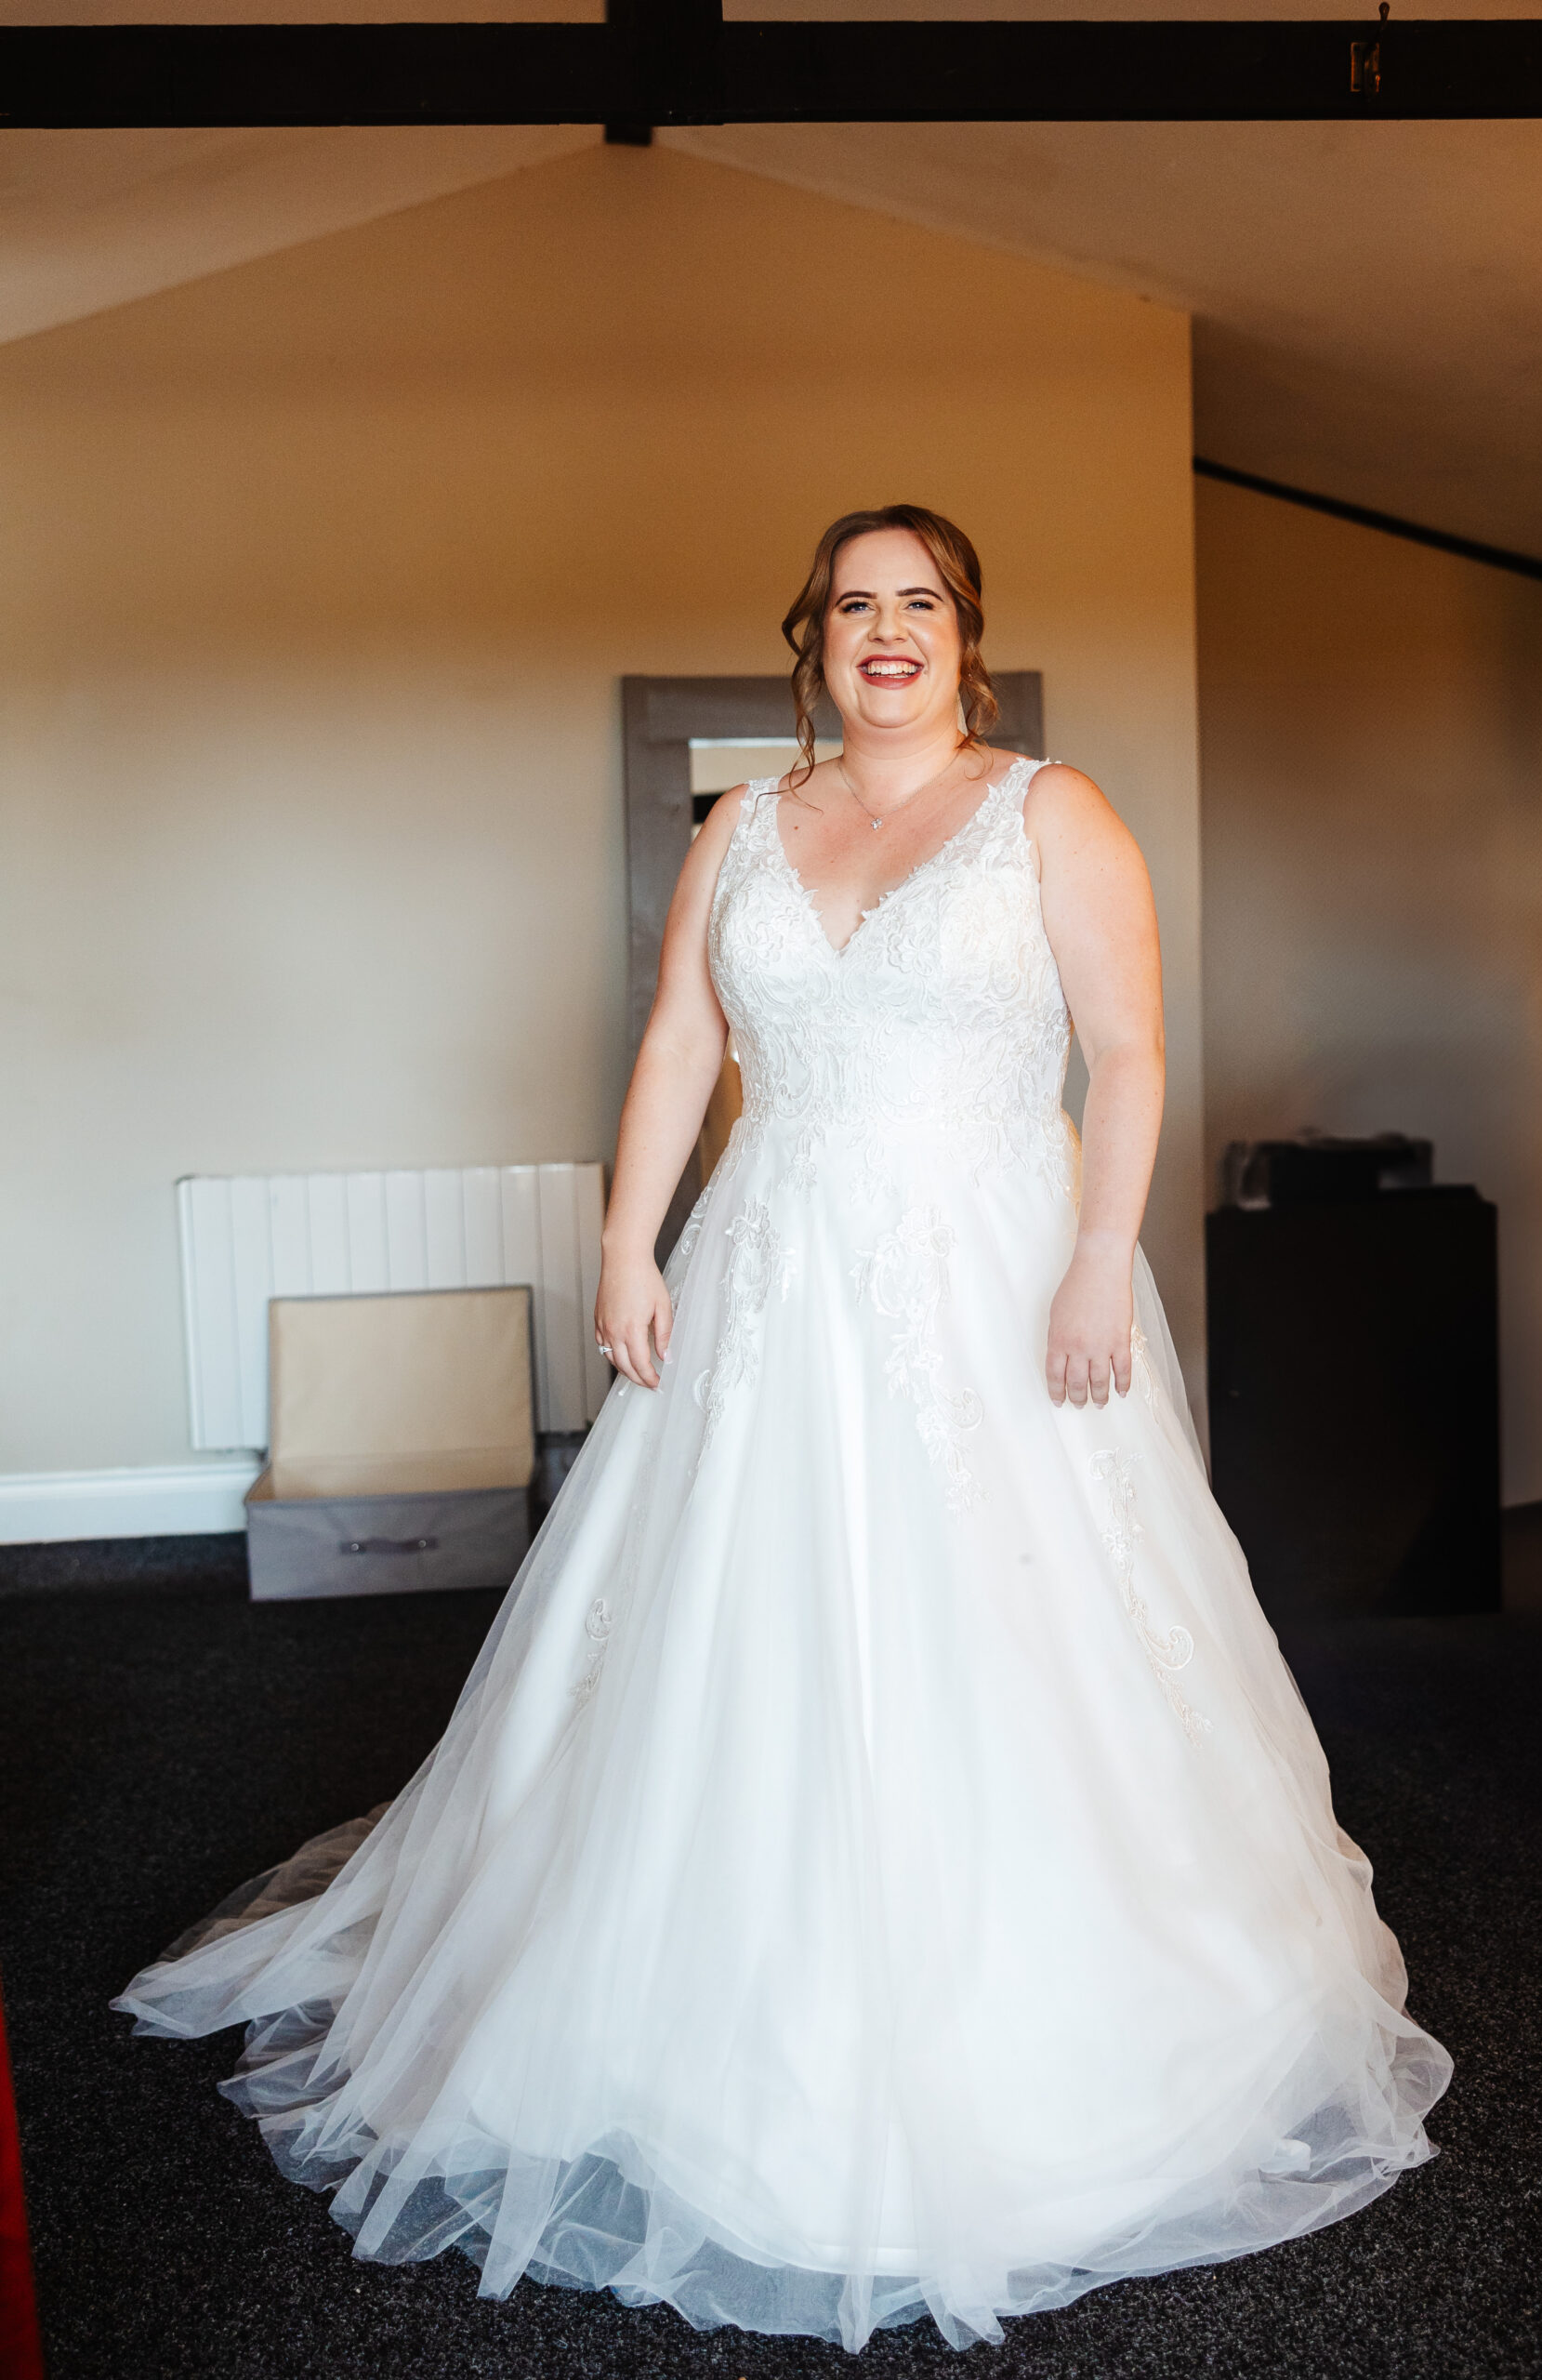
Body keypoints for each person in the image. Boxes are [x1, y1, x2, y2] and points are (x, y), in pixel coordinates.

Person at [116, 504, 1450, 2352]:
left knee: (1000, 1623)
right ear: (810, 637)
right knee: (728, 1635)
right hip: (766, 1266)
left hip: (988, 1274)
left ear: (961, 634)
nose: (883, 631)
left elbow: (1125, 1054)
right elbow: (679, 1038)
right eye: (852, 605)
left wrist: (1091, 1260)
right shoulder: (744, 823)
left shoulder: (1050, 811)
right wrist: (621, 1241)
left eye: (917, 603)